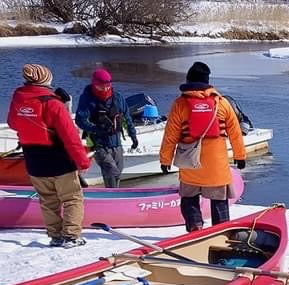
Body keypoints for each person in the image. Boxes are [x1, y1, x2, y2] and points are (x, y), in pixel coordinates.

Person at [6, 64, 92, 247]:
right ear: (46, 80)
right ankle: (71, 236)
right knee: (72, 198)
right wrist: (83, 162)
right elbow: (71, 138)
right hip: (59, 160)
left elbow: (13, 124)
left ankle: (55, 236)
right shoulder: (53, 104)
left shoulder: (18, 100)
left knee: (47, 200)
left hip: (34, 160)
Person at [159, 61, 246, 231]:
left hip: (191, 162)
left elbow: (170, 135)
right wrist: (240, 156)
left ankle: (195, 228)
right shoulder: (221, 103)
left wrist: (165, 159)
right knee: (219, 200)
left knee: (189, 198)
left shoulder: (180, 104)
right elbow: (235, 132)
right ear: (207, 82)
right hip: (216, 164)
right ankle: (221, 232)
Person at [75, 68, 138, 188]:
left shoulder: (118, 98)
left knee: (118, 172)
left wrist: (133, 136)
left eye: (107, 86)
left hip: (116, 143)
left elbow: (127, 118)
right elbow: (80, 120)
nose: (105, 89)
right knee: (111, 171)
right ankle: (112, 196)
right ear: (94, 84)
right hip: (98, 144)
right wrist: (96, 128)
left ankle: (113, 194)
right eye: (101, 86)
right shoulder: (87, 99)